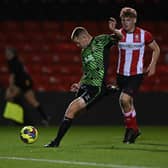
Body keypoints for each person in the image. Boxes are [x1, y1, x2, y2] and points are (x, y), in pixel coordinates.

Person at [44, 21, 123, 147]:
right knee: (77, 113)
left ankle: (56, 142)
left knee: (71, 110)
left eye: (78, 42)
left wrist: (114, 30)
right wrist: (79, 84)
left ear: (84, 37)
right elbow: (86, 72)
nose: (77, 45)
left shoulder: (101, 41)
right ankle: (105, 92)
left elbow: (120, 37)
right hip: (87, 85)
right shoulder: (84, 52)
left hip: (95, 87)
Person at [108, 7, 160, 144]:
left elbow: (156, 49)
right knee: (126, 102)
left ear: (135, 20)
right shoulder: (118, 34)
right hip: (121, 74)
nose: (125, 23)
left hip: (135, 74)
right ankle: (133, 129)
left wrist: (152, 65)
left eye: (129, 20)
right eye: (123, 20)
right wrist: (112, 31)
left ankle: (131, 129)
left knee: (124, 99)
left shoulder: (144, 35)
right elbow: (106, 46)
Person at [4, 47, 50, 125]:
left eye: (8, 52)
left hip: (24, 83)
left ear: (12, 53)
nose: (6, 54)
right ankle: (16, 118)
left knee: (31, 101)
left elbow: (12, 76)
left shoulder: (14, 62)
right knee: (10, 97)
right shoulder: (12, 61)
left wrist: (11, 86)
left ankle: (45, 117)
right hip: (20, 83)